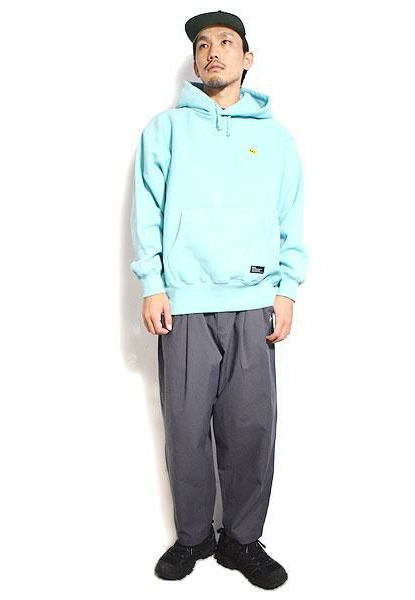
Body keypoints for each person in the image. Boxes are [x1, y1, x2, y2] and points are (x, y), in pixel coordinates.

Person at [130, 10, 309, 590]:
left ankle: (242, 539)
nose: (213, 51)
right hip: (183, 303)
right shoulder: (165, 130)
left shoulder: (275, 139)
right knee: (185, 429)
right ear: (195, 59)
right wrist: (153, 284)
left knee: (251, 428)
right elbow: (148, 209)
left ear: (246, 58)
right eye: (203, 44)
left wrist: (286, 290)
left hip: (255, 301)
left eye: (226, 42)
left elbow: (290, 217)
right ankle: (193, 538)